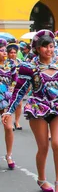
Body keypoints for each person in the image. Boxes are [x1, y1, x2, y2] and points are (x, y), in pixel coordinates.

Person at [2, 30, 58, 192]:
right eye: (45, 47)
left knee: (57, 143)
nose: (49, 50)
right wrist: (10, 111)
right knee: (43, 147)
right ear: (37, 48)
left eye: (51, 46)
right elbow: (20, 90)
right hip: (38, 108)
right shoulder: (28, 67)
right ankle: (41, 178)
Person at [0, 39, 17, 169]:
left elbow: (14, 79)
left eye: (4, 50)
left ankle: (9, 155)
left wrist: (12, 89)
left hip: (5, 99)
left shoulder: (10, 64)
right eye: (1, 50)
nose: (4, 53)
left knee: (8, 128)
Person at [6, 42, 23, 130]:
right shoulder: (6, 63)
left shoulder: (20, 62)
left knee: (19, 104)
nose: (13, 54)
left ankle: (17, 121)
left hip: (19, 85)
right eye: (11, 53)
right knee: (10, 103)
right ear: (8, 54)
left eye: (14, 52)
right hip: (9, 85)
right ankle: (9, 121)